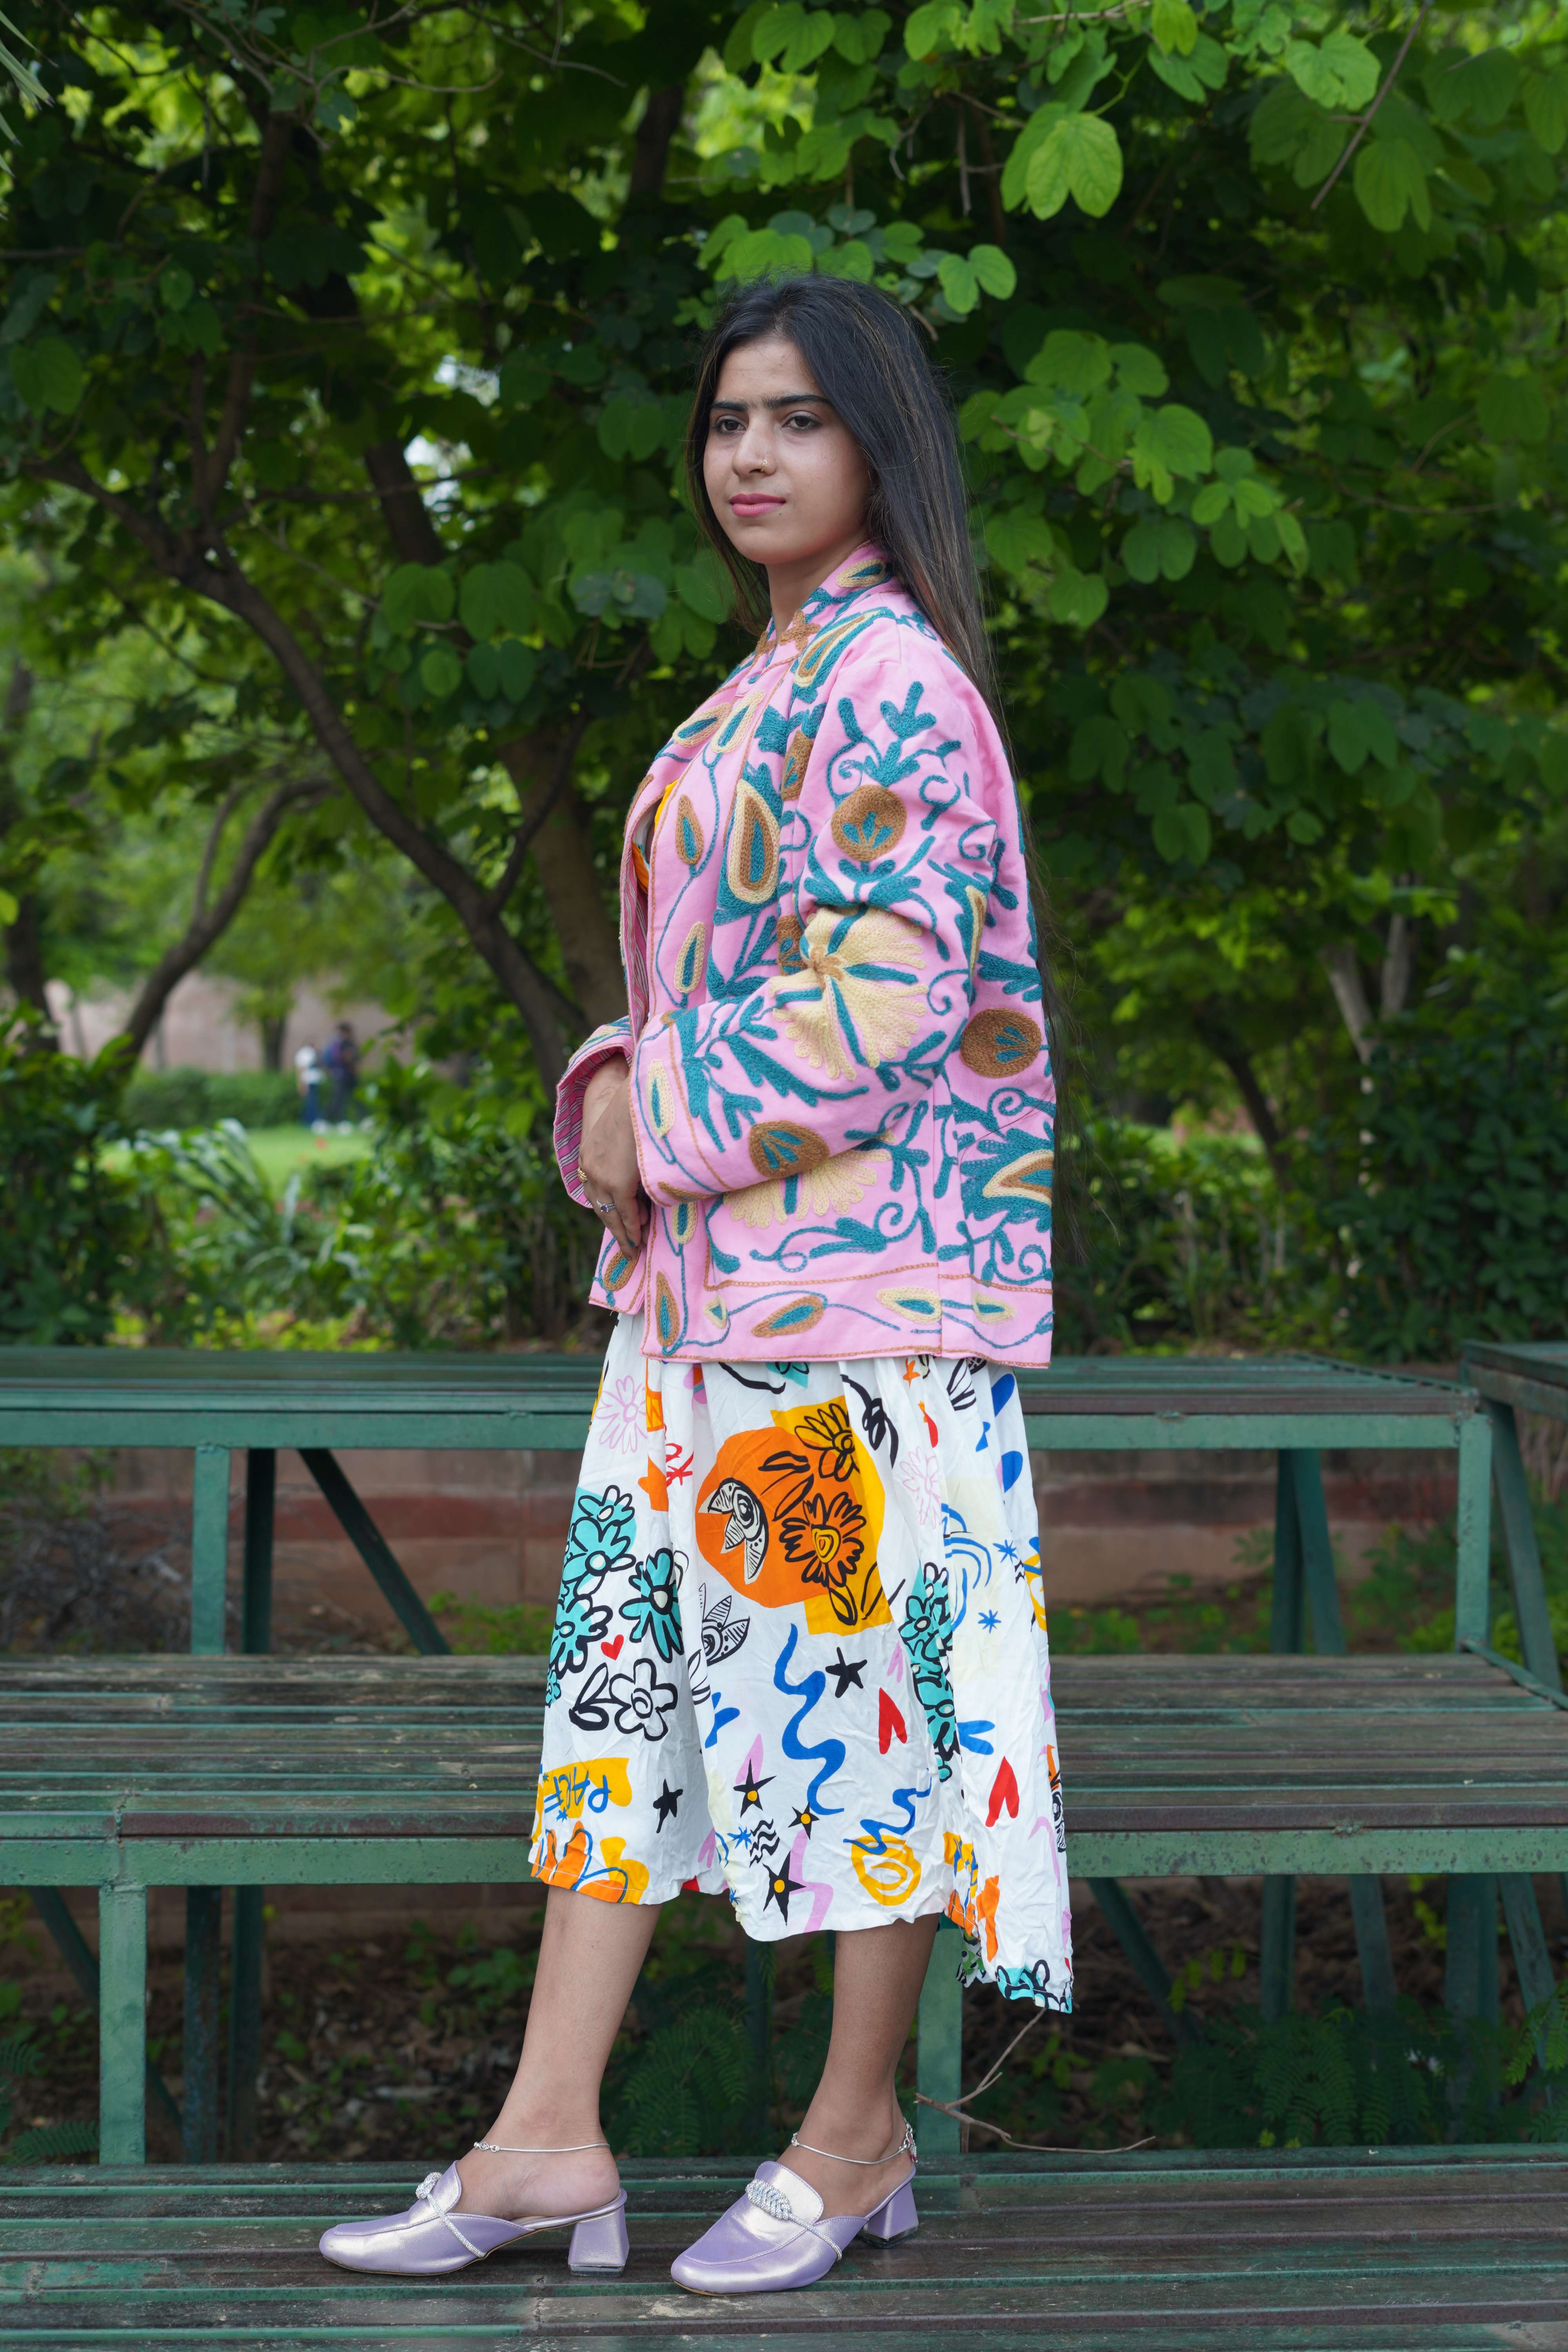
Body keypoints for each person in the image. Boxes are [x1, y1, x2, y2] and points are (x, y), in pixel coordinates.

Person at [320, 274, 1069, 2294]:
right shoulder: (768, 683)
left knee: (849, 1721)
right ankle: (546, 2138)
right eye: (728, 416)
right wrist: (615, 1091)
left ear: (876, 448)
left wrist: (649, 1107)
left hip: (850, 1317)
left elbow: (891, 1006)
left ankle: (854, 2135)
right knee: (624, 1710)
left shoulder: (891, 682)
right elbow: (723, 1001)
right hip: (710, 1312)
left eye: (799, 419)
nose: (749, 451)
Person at [324, 1019, 359, 1121]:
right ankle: (332, 1120)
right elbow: (332, 1060)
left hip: (351, 1075)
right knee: (338, 1099)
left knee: (357, 1098)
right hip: (340, 1075)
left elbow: (356, 1058)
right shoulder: (337, 1044)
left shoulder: (350, 1043)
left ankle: (362, 1119)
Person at [294, 1041, 321, 1128]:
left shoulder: (310, 1053)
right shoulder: (305, 1053)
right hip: (307, 1081)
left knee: (313, 1102)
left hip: (313, 1081)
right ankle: (310, 1122)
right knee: (311, 1102)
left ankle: (311, 1121)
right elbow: (301, 1070)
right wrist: (301, 1084)